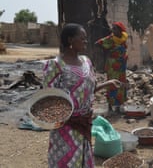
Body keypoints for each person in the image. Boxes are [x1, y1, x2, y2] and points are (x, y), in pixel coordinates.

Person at [43, 23, 122, 168]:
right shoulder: (55, 65)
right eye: (82, 38)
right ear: (70, 40)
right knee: (67, 161)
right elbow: (47, 99)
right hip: (66, 127)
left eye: (86, 38)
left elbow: (89, 90)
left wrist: (107, 83)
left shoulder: (87, 62)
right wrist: (62, 116)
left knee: (83, 160)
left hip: (84, 123)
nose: (86, 41)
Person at [95, 22, 128, 113]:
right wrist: (107, 50)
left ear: (120, 30)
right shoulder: (110, 39)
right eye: (112, 28)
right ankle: (110, 105)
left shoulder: (123, 38)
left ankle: (119, 106)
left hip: (121, 66)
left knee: (121, 85)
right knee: (111, 85)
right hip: (112, 67)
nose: (113, 30)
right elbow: (97, 43)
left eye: (115, 29)